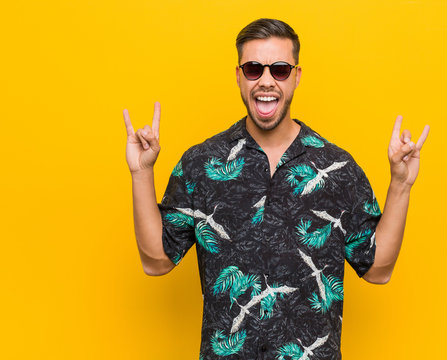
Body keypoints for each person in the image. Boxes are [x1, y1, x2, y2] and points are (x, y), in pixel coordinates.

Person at [123, 18, 429, 360]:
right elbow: (156, 261)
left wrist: (401, 183)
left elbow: (378, 268)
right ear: (239, 76)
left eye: (279, 69)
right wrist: (141, 172)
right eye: (254, 69)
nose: (266, 81)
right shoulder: (202, 163)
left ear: (296, 76)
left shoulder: (338, 167)